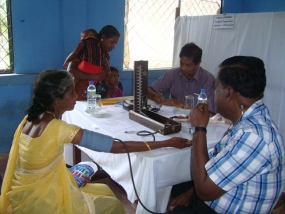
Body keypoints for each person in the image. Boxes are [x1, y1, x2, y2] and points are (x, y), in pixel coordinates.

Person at [0, 69, 191, 214]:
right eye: (72, 93)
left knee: (104, 189)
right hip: (45, 199)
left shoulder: (29, 119)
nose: (77, 96)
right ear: (57, 101)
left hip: (27, 191)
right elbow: (115, 146)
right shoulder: (58, 129)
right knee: (114, 204)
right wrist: (165, 143)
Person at [167, 56, 285, 214]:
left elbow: (204, 191)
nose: (214, 93)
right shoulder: (247, 122)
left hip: (216, 207)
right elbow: (218, 167)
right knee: (171, 186)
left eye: (216, 88)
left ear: (228, 92)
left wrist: (199, 129)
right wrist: (191, 193)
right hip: (214, 196)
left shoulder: (254, 137)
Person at [147, 42, 215, 113]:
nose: (183, 68)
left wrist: (182, 104)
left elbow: (209, 111)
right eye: (181, 63)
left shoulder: (207, 79)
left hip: (196, 120)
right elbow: (148, 90)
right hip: (173, 117)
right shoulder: (173, 74)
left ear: (198, 63)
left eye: (188, 65)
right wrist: (154, 96)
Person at [67, 25, 120, 100]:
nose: (113, 46)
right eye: (112, 42)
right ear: (102, 37)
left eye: (115, 43)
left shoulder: (106, 55)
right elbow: (70, 71)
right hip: (80, 96)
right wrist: (94, 77)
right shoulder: (87, 51)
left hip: (96, 97)